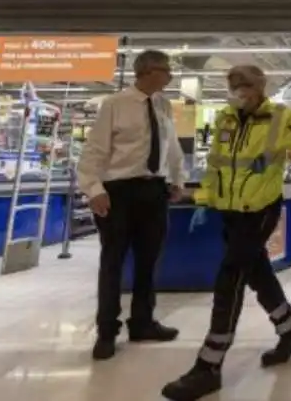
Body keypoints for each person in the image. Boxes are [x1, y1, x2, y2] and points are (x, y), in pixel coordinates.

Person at [161, 65, 291, 401]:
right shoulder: (225, 119)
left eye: (245, 85)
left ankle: (209, 366)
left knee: (230, 277)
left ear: (260, 86)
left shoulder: (280, 118)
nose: (239, 90)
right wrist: (204, 199)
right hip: (230, 211)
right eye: (234, 85)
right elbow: (218, 165)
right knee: (258, 274)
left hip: (260, 210)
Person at [77, 50, 187, 361]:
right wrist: (93, 189)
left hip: (154, 192)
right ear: (149, 71)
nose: (170, 76)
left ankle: (142, 322)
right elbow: (95, 150)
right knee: (113, 262)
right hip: (118, 192)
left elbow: (171, 146)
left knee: (148, 261)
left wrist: (177, 178)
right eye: (166, 70)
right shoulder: (114, 105)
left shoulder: (163, 105)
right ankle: (106, 331)